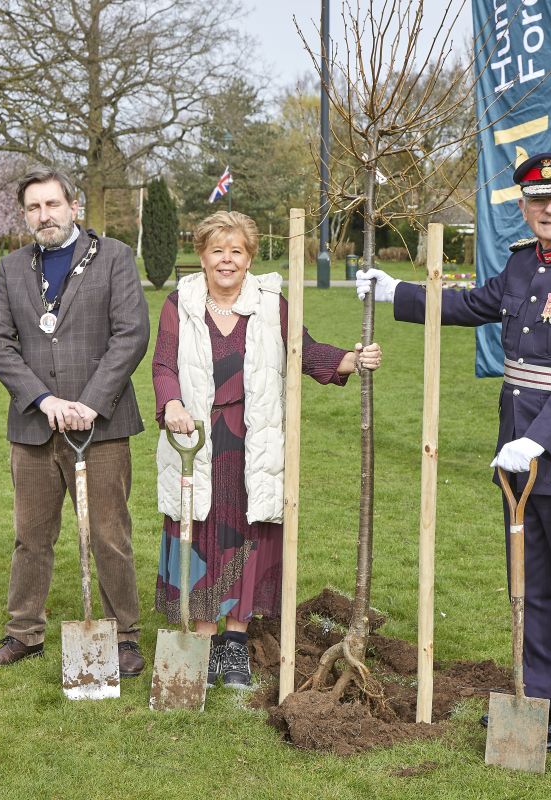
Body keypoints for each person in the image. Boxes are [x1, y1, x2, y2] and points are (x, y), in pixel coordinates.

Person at [356, 153, 551, 751]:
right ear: (526, 208)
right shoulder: (521, 264)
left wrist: (539, 439)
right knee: (528, 584)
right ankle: (534, 693)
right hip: (515, 454)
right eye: (538, 201)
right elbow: (474, 306)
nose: (549, 210)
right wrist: (395, 292)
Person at [152, 210, 382, 689]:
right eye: (218, 250)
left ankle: (234, 643)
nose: (227, 260)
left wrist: (349, 359)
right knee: (197, 524)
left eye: (236, 251)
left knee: (245, 530)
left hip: (251, 433)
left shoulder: (270, 303)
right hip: (194, 434)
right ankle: (202, 635)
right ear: (202, 256)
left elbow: (301, 349)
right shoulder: (181, 301)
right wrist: (171, 401)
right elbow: (163, 363)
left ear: (249, 257)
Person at [0, 166, 150, 677]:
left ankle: (125, 636)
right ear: (25, 214)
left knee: (109, 534)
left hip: (101, 426)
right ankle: (23, 632)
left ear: (73, 206)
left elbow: (131, 335)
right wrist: (43, 400)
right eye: (33, 207)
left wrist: (92, 403)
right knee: (30, 536)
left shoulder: (115, 257)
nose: (44, 215)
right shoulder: (12, 268)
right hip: (34, 427)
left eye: (52, 204)